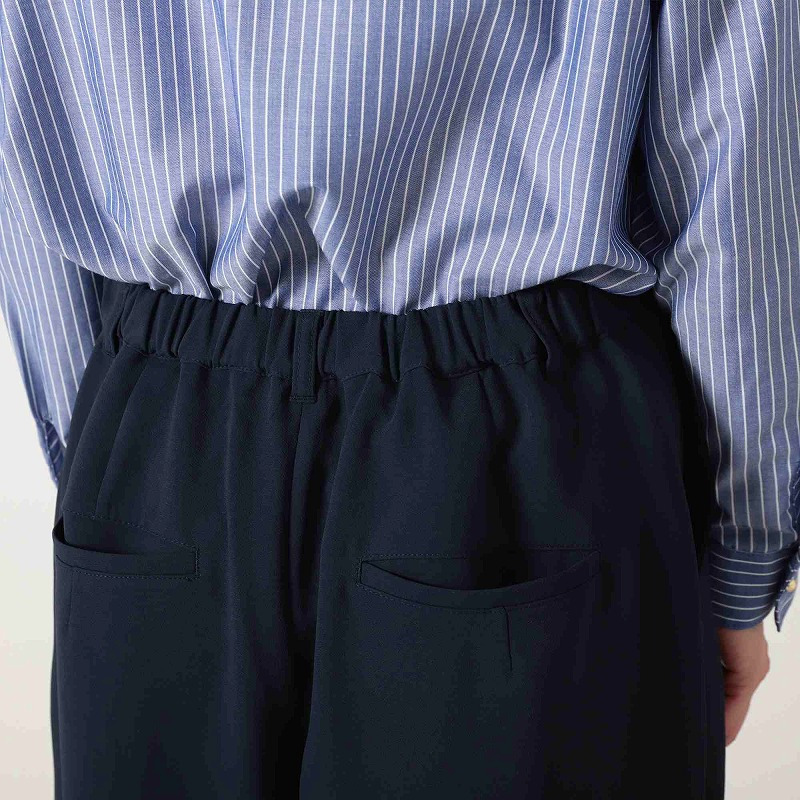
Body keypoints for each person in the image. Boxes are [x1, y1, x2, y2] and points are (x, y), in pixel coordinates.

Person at [0, 1, 797, 798]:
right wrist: (743, 550)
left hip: (159, 429)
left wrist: (111, 454)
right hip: (514, 436)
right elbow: (732, 146)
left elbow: (28, 130)